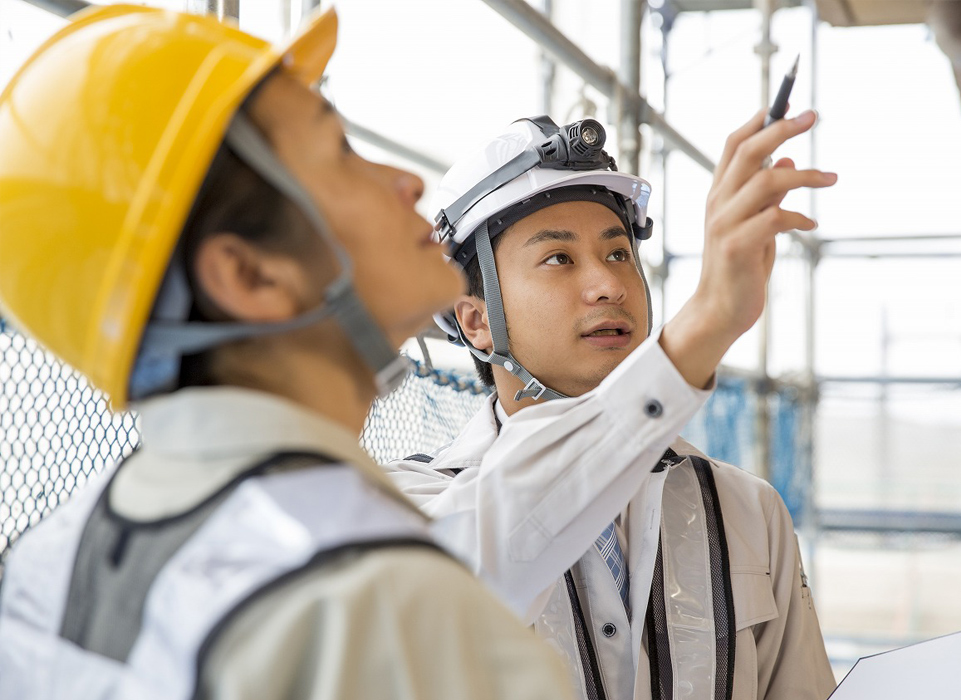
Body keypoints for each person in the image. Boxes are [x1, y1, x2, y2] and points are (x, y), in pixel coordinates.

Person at [0, 6, 574, 699]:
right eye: (340, 151)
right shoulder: (384, 614)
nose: (408, 181)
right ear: (251, 276)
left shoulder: (47, 563)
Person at [387, 114, 839, 700]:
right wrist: (705, 325)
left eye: (620, 254)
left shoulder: (746, 510)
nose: (608, 285)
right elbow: (493, 552)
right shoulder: (410, 506)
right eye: (559, 259)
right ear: (476, 321)